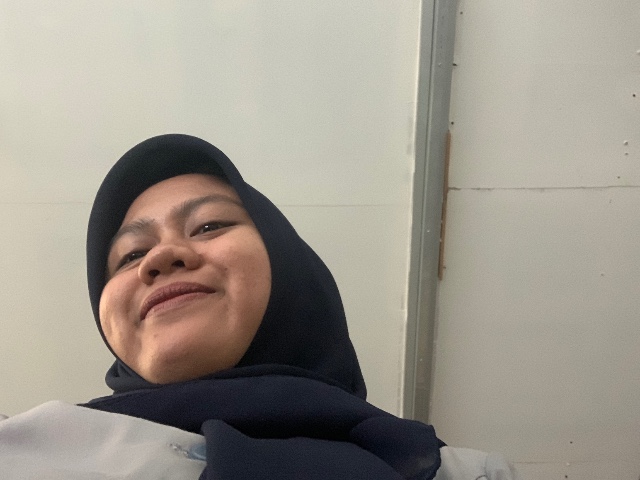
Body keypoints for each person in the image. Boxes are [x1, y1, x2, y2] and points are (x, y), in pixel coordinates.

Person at [0, 134, 518, 479]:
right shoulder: (23, 451)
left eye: (208, 226)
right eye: (131, 255)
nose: (160, 257)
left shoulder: (465, 474)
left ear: (288, 264)